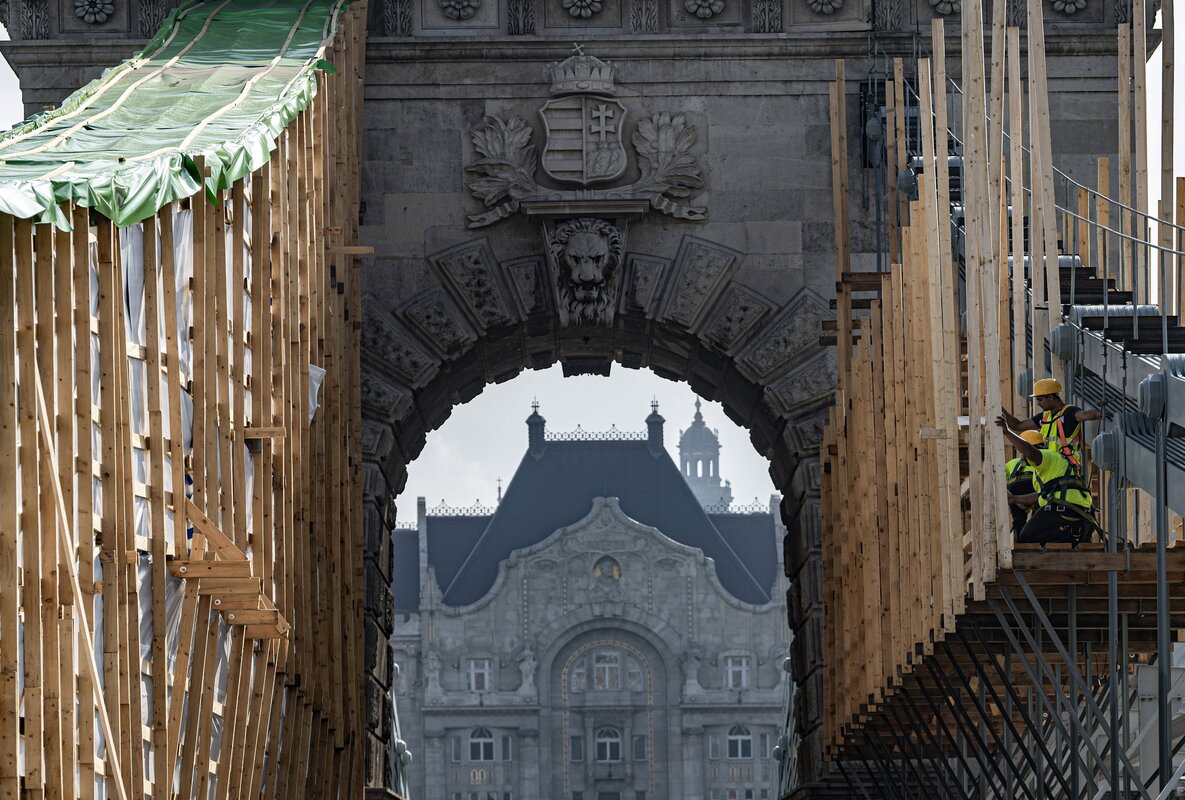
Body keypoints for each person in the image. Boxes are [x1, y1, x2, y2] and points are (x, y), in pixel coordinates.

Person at [996, 411, 1099, 545]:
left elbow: (1030, 451)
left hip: (1064, 507)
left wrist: (1007, 432)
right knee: (1032, 536)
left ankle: (1070, 536)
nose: (1022, 458)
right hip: (1075, 510)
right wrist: (1015, 499)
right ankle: (1072, 535)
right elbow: (1041, 495)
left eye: (1022, 454)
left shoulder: (1046, 456)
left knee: (1027, 537)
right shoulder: (1045, 471)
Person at [998, 378, 1103, 474]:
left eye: (1040, 399)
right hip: (1050, 467)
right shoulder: (1045, 417)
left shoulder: (1069, 413)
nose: (1038, 403)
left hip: (1066, 468)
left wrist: (1098, 414)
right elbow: (1017, 425)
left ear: (1050, 397)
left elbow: (1084, 415)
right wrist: (999, 408)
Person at [1005, 430, 1043, 535]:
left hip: (1017, 492)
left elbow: (998, 475)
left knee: (1019, 518)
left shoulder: (1014, 463)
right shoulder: (1043, 461)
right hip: (1035, 490)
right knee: (1039, 515)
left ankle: (1018, 529)